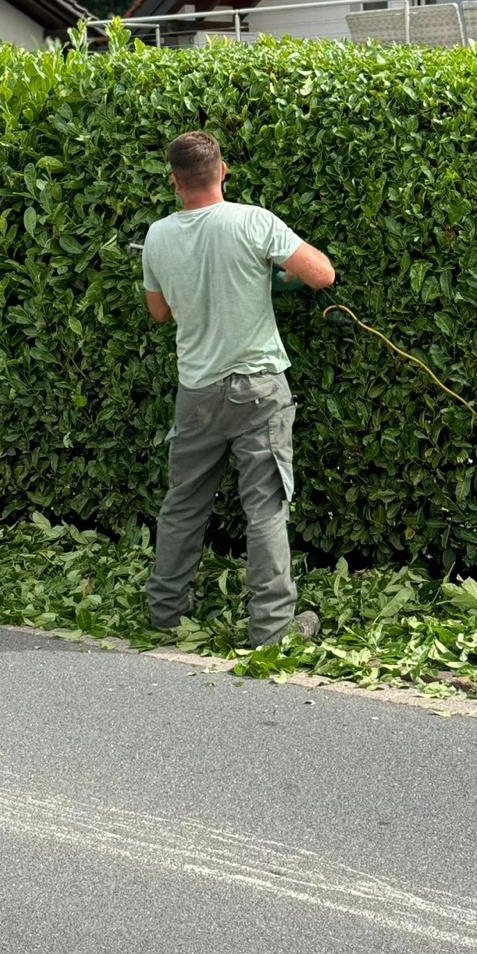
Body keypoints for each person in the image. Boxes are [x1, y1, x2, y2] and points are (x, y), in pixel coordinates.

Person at [142, 131, 335, 646]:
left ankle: (165, 614)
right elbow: (322, 275)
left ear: (175, 181)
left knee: (183, 504)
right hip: (258, 389)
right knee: (265, 507)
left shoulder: (157, 236)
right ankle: (270, 630)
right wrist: (267, 273)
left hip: (196, 390)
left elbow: (159, 312)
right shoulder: (254, 221)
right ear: (222, 171)